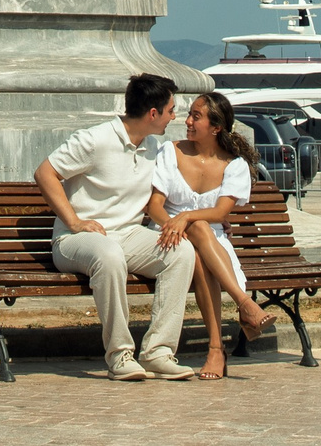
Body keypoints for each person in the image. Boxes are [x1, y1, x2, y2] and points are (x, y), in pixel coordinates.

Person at [36, 72, 196, 381]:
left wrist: (203, 218)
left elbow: (174, 193)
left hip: (128, 236)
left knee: (181, 252)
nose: (174, 117)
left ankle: (158, 353)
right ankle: (120, 355)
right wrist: (74, 221)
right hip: (75, 241)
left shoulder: (155, 148)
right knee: (109, 254)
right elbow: (45, 173)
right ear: (153, 113)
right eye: (171, 110)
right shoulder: (94, 139)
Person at [152, 91, 270, 379]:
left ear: (216, 127)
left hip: (211, 241)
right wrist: (174, 223)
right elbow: (154, 205)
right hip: (167, 234)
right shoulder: (171, 151)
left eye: (196, 116)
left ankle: (217, 349)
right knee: (196, 241)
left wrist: (188, 217)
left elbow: (219, 214)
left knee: (201, 240)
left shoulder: (235, 165)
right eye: (190, 114)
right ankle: (244, 305)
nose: (187, 121)